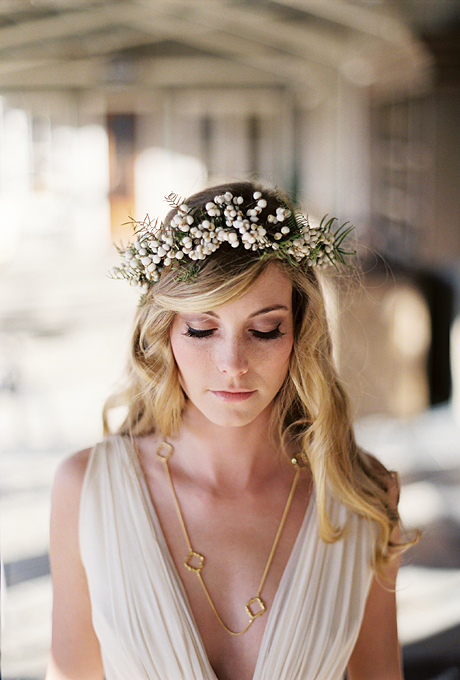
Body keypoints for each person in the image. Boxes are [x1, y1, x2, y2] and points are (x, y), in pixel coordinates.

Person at [46, 181, 411, 680]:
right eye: (201, 330)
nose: (232, 364)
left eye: (263, 330)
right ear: (166, 331)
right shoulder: (85, 489)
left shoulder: (363, 493)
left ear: (298, 333)